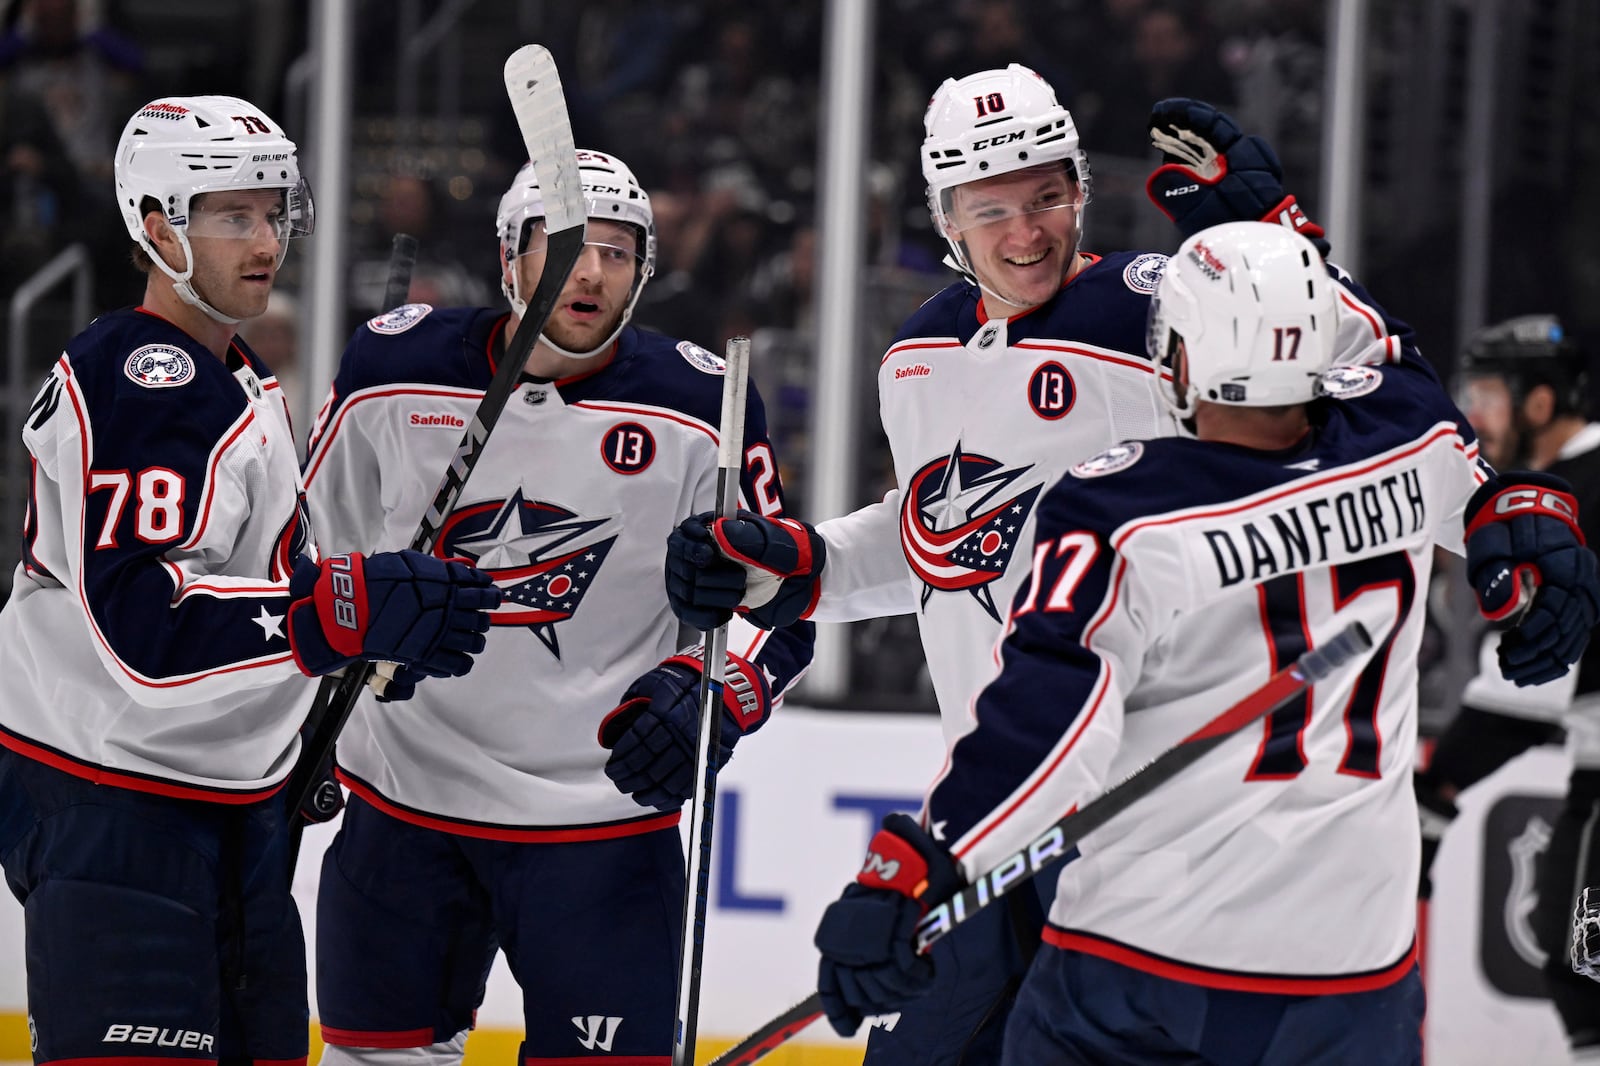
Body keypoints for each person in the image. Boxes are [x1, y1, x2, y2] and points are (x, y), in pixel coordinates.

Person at [663, 66, 1395, 1063]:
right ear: (944, 215)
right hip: (992, 807)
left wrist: (1288, 235)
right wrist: (809, 566)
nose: (1026, 231)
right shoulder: (917, 356)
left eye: (1048, 194)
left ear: (1082, 190)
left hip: (1142, 823)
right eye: (992, 206)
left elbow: (1354, 383)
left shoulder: (1161, 310)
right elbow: (938, 537)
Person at [812, 221, 1600, 1063]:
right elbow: (1393, 354)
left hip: (1142, 955)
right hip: (1351, 967)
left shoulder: (1123, 510)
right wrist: (1287, 226)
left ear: (1180, 358)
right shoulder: (1405, 443)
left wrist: (924, 860)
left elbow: (1046, 726)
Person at [0, 95, 500, 1066]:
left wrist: (323, 689)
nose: (264, 239)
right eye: (232, 215)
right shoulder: (144, 372)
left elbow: (262, 600)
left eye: (273, 212)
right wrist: (336, 612)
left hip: (228, 812)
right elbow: (144, 624)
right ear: (156, 227)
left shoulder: (234, 379)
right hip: (119, 809)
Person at [301, 149, 814, 1063]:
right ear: (510, 257)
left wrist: (720, 690)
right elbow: (303, 558)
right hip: (403, 809)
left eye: (618, 252)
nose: (589, 271)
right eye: (565, 245)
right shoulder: (392, 371)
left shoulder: (703, 407)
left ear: (644, 272)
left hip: (604, 829)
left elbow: (793, 607)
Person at [1413, 315, 1600, 1058]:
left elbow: (1541, 672)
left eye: (1488, 394)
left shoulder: (1576, 493)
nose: (1475, 417)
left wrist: (1440, 788)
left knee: (1585, 969)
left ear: (1541, 404)